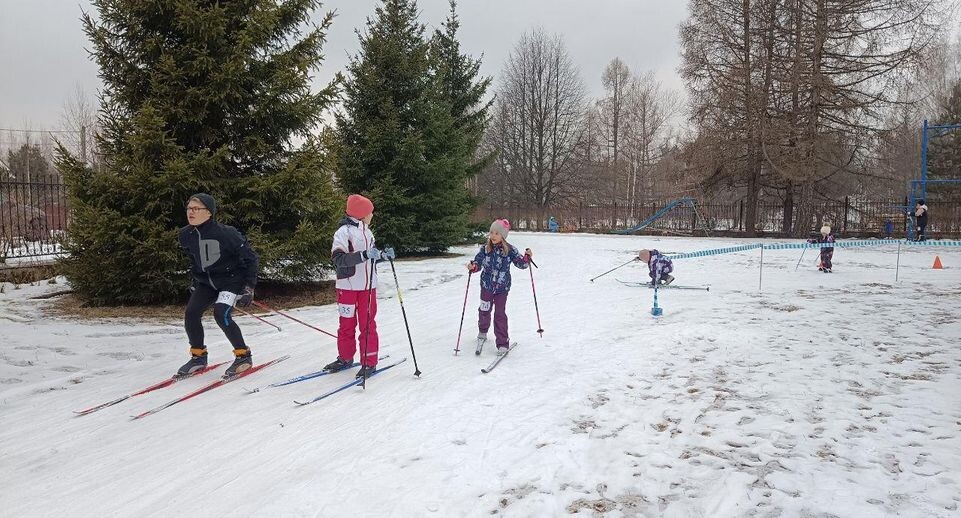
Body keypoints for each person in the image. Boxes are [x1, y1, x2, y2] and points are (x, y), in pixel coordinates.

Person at [177, 193, 259, 378]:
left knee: (221, 313)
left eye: (196, 209)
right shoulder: (185, 235)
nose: (191, 212)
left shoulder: (226, 233)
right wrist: (195, 281)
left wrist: (249, 287)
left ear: (209, 212)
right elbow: (194, 260)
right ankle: (198, 357)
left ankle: (243, 356)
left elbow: (251, 258)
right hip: (206, 283)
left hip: (231, 280)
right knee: (191, 313)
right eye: (189, 208)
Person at [323, 194, 394, 379]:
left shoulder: (368, 232)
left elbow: (370, 259)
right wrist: (363, 255)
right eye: (370, 212)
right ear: (362, 214)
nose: (372, 215)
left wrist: (382, 256)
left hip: (368, 288)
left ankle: (369, 361)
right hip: (347, 286)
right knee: (346, 324)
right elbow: (339, 259)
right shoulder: (343, 232)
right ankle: (345, 358)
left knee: (368, 324)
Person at [467, 219, 532, 355]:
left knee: (500, 314)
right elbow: (477, 262)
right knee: (484, 310)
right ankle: (483, 331)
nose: (493, 236)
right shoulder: (485, 249)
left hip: (502, 288)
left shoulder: (510, 250)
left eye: (497, 233)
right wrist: (473, 267)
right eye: (491, 232)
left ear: (503, 235)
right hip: (486, 286)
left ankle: (502, 343)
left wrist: (527, 257)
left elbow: (521, 264)